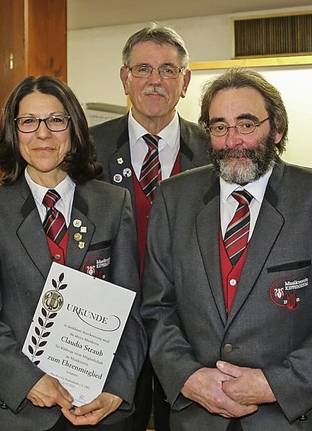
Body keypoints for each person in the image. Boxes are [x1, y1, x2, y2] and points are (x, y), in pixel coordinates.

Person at [141, 67, 312, 431]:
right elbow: (156, 307)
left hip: (291, 418)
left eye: (246, 124)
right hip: (197, 416)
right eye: (219, 127)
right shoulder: (173, 198)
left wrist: (274, 384)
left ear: (277, 129)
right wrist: (190, 378)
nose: (232, 140)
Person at [0, 75, 146, 431]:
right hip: (21, 412)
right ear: (14, 133)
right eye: (28, 122)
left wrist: (117, 389)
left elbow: (132, 312)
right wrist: (26, 380)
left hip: (101, 410)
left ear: (73, 128)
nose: (42, 134)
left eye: (55, 120)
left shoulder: (112, 204)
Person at [90, 23, 208, 431]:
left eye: (168, 70)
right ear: (125, 78)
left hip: (193, 335)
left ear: (185, 81)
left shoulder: (216, 150)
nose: (155, 80)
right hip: (106, 334)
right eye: (142, 69)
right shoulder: (87, 150)